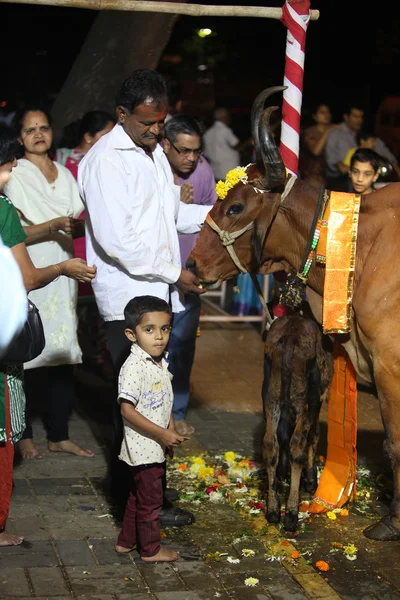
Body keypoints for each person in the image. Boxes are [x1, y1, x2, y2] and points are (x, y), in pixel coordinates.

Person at [78, 68, 211, 525]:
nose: (158, 131)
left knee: (154, 402)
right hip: (127, 302)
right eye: (147, 123)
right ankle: (132, 504)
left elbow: (173, 214)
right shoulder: (105, 161)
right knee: (132, 409)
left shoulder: (151, 153)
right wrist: (177, 272)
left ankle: (151, 499)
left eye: (161, 121)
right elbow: (119, 243)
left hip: (157, 294)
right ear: (121, 114)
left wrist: (226, 214)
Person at [0, 124, 96, 546]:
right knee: (3, 432)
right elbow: (27, 277)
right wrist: (62, 268)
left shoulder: (62, 174)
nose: (8, 177)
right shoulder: (2, 208)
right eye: (5, 170)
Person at [115, 295, 188, 562]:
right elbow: (127, 409)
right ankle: (151, 549)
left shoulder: (158, 361)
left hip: (154, 445)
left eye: (164, 328)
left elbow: (164, 398)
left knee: (138, 496)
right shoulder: (134, 367)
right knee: (151, 502)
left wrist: (168, 430)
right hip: (143, 447)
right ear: (131, 334)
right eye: (149, 330)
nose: (159, 337)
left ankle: (126, 542)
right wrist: (161, 434)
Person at [162, 114, 217, 436]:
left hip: (188, 274)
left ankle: (177, 409)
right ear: (166, 145)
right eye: (183, 151)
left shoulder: (203, 171)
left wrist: (205, 268)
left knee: (181, 347)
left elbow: (213, 221)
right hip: (151, 274)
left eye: (196, 152)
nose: (190, 159)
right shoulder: (150, 167)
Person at [56, 111, 115, 375]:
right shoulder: (61, 162)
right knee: (74, 318)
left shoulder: (110, 160)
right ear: (88, 137)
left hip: (99, 248)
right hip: (74, 245)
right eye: (106, 135)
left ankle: (97, 367)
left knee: (99, 317)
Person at [325, 103, 364, 191]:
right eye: (356, 117)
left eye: (361, 117)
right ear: (346, 117)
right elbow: (333, 161)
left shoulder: (363, 134)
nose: (359, 120)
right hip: (338, 179)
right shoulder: (336, 133)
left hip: (360, 177)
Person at [299, 103, 337, 189]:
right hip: (312, 174)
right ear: (315, 116)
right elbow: (316, 151)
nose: (326, 115)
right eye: (322, 112)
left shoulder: (335, 131)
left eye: (328, 112)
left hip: (332, 173)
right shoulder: (310, 132)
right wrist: (327, 131)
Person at [203, 107, 241, 181]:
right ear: (223, 117)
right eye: (228, 116)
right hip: (228, 170)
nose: (229, 119)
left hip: (215, 171)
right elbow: (236, 145)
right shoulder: (225, 130)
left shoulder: (208, 133)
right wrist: (249, 142)